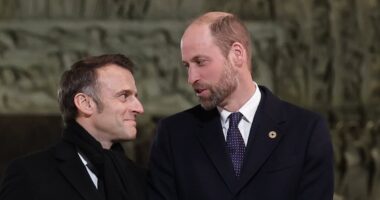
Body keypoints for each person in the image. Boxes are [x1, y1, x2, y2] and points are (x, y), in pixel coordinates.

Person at [148, 12, 334, 200]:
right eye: (187, 66)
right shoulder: (173, 134)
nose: (191, 78)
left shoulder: (306, 130)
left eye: (200, 62)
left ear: (237, 55)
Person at [0, 54, 146, 200]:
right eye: (124, 96)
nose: (139, 108)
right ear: (85, 103)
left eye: (136, 97)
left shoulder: (139, 178)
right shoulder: (30, 174)